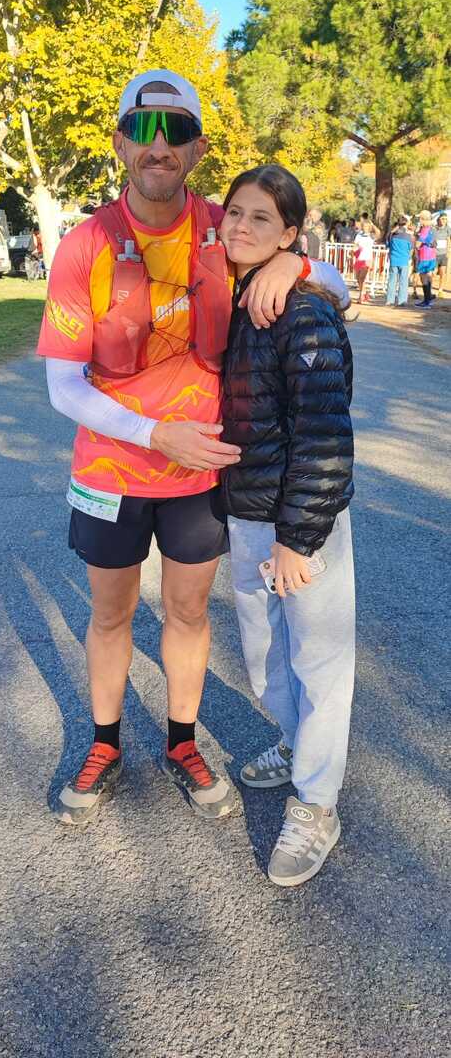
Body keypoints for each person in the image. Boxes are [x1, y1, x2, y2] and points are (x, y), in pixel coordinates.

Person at [36, 68, 349, 827]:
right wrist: (153, 433)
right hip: (110, 471)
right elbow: (63, 386)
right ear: (120, 143)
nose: (159, 146)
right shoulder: (84, 246)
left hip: (197, 476)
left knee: (186, 612)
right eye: (142, 130)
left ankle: (182, 742)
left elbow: (338, 292)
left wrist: (296, 262)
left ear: (197, 148)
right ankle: (104, 744)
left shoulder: (225, 228)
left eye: (175, 131)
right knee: (110, 615)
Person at [219, 163, 355, 887]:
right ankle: (298, 742)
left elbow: (325, 435)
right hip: (247, 513)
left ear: (290, 232)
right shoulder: (237, 290)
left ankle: (317, 802)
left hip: (301, 522)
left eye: (261, 218)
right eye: (235, 211)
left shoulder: (301, 309)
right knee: (265, 657)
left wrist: (298, 538)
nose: (241, 226)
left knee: (319, 662)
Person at [386, 215, 414, 306]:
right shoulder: (408, 236)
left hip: (394, 260)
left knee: (392, 280)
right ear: (405, 224)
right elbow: (411, 249)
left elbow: (388, 244)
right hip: (404, 260)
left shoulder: (392, 235)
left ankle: (390, 300)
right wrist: (409, 257)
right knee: (403, 281)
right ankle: (402, 300)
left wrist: (391, 232)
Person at [415, 210, 437, 308]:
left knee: (423, 278)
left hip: (424, 256)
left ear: (423, 219)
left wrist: (415, 243)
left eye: (420, 218)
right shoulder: (431, 229)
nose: (419, 220)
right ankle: (428, 300)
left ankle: (426, 302)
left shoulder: (424, 230)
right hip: (431, 256)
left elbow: (418, 244)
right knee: (428, 276)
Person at [352, 219, 374, 302]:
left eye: (367, 226)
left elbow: (378, 233)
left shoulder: (371, 235)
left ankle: (361, 296)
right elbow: (355, 245)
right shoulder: (359, 235)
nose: (365, 227)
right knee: (358, 278)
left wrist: (373, 225)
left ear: (369, 227)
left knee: (362, 278)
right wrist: (353, 250)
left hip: (367, 259)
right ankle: (364, 293)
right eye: (364, 226)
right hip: (359, 258)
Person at [433, 212, 450, 297]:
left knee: (442, 273)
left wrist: (448, 251)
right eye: (442, 219)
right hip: (434, 254)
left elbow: (448, 239)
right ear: (439, 219)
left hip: (443, 254)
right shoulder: (434, 229)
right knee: (433, 272)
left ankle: (440, 290)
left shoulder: (448, 228)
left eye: (445, 219)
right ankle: (430, 289)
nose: (444, 221)